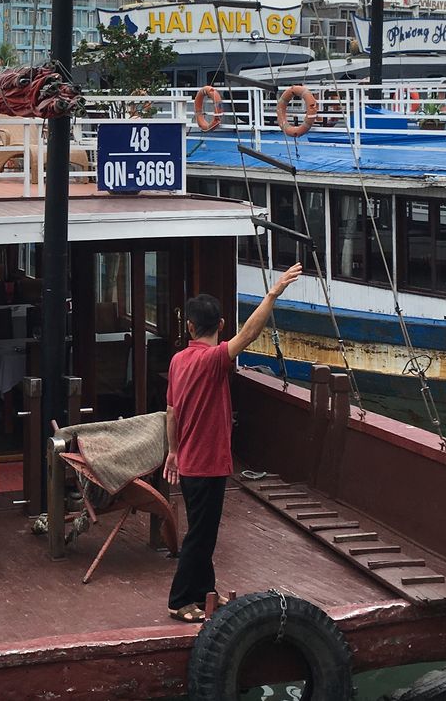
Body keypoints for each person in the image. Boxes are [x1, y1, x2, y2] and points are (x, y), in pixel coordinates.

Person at [164, 263, 303, 623]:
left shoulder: (178, 361)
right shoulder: (213, 360)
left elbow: (171, 412)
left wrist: (173, 451)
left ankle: (205, 592)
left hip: (189, 460)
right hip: (207, 464)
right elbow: (249, 334)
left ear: (190, 327)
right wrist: (272, 294)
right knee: (200, 536)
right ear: (221, 325)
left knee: (204, 532)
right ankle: (180, 600)